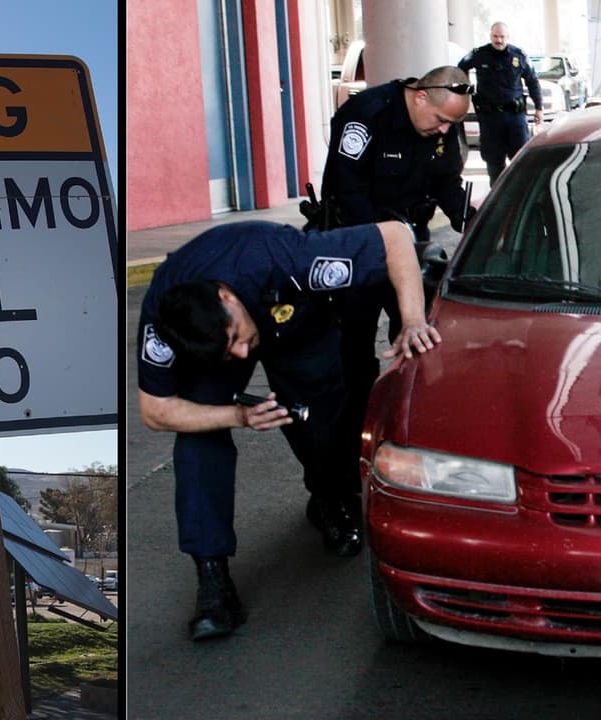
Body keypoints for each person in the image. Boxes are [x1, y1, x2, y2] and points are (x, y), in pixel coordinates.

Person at [136, 219, 442, 641]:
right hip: (218, 332)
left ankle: (329, 497)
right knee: (199, 438)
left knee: (324, 416)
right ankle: (212, 578)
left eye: (237, 339)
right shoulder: (166, 316)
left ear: (227, 298)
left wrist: (412, 320)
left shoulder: (287, 255)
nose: (243, 354)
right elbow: (155, 410)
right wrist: (236, 416)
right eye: (232, 351)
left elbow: (393, 236)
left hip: (294, 319)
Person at [314, 67, 473, 566]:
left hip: (412, 251)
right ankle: (336, 489)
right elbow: (347, 191)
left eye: (453, 125)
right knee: (351, 370)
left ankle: (424, 468)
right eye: (441, 121)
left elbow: (449, 184)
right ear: (420, 95)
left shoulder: (444, 121)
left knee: (425, 349)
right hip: (356, 251)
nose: (445, 131)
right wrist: (393, 238)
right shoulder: (366, 117)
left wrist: (475, 223)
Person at [458, 21, 543, 185]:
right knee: (494, 163)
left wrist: (539, 108)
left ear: (507, 37)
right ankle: (497, 201)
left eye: (502, 36)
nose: (499, 40)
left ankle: (522, 196)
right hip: (490, 119)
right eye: (495, 36)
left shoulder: (519, 55)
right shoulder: (479, 54)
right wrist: (467, 89)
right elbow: (460, 68)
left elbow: (533, 82)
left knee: (521, 160)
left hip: (515, 117)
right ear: (490, 36)